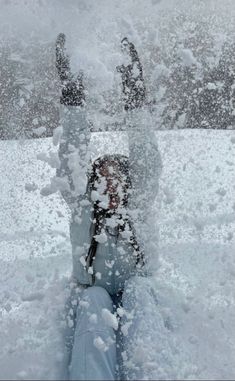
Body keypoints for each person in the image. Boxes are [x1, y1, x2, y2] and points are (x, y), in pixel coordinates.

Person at [55, 33, 162, 380]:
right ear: (92, 184)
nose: (110, 183)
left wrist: (135, 95)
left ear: (130, 183)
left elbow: (145, 156)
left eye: (118, 177)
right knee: (94, 303)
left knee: (139, 297)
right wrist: (72, 95)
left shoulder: (139, 203)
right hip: (93, 292)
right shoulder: (82, 205)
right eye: (102, 177)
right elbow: (72, 151)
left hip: (135, 289)